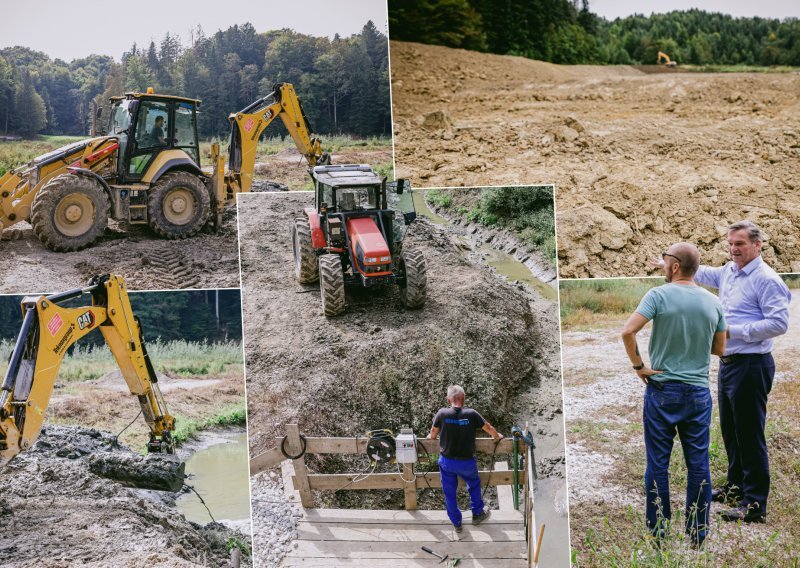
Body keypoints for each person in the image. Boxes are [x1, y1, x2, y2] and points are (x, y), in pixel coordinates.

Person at [622, 242, 727, 546]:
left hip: (663, 390)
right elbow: (720, 348)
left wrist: (639, 366)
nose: (663, 265)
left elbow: (628, 331)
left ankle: (658, 533)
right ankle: (697, 533)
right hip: (697, 392)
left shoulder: (658, 295)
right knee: (698, 463)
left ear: (675, 266)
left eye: (665, 260)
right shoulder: (713, 301)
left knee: (658, 463)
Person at [694, 220, 791, 523]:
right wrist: (672, 261)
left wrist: (732, 331)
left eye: (739, 244)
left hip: (751, 366)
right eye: (730, 243)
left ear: (757, 245)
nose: (733, 249)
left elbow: (779, 323)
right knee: (732, 431)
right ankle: (735, 488)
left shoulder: (766, 279)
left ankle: (754, 505)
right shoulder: (729, 272)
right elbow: (702, 272)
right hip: (729, 364)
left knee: (749, 434)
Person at [429, 385, 503, 533]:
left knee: (449, 492)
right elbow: (488, 427)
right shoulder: (471, 414)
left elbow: (433, 433)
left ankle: (457, 523)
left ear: (449, 399)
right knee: (474, 485)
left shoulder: (442, 413)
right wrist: (497, 436)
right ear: (463, 398)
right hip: (466, 462)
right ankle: (477, 514)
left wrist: (431, 438)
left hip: (447, 461)